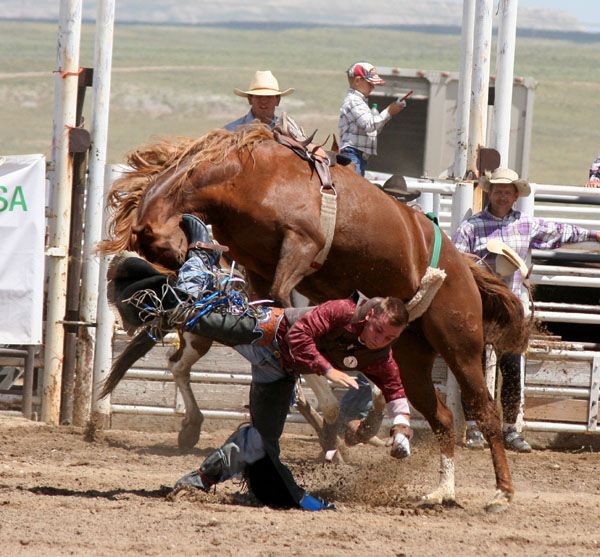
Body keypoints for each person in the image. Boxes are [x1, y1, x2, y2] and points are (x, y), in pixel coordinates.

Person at [171, 215, 413, 511]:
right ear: (370, 316)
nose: (379, 339)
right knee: (189, 312)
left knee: (262, 440)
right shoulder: (343, 310)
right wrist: (328, 370)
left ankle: (200, 479)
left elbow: (396, 393)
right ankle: (202, 251)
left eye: (389, 337)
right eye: (378, 330)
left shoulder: (381, 356)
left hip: (279, 371)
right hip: (262, 331)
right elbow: (299, 334)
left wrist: (401, 430)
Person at [453, 167, 600, 452]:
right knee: (473, 368)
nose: (502, 196)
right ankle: (473, 427)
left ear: (515, 195)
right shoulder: (471, 227)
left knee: (511, 369)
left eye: (507, 192)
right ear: (490, 193)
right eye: (498, 191)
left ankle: (510, 428)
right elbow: (457, 259)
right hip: (479, 306)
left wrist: (594, 235)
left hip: (511, 307)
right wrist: (482, 260)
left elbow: (562, 232)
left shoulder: (525, 223)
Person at [338, 61, 406, 176]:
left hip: (357, 155)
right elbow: (370, 126)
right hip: (353, 154)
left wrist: (389, 113)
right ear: (358, 81)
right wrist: (389, 111)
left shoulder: (358, 101)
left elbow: (372, 129)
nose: (373, 87)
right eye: (370, 84)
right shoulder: (354, 101)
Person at [224, 70, 294, 132]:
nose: (263, 101)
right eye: (259, 96)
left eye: (269, 97)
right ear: (250, 99)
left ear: (278, 100)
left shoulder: (289, 132)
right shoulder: (231, 132)